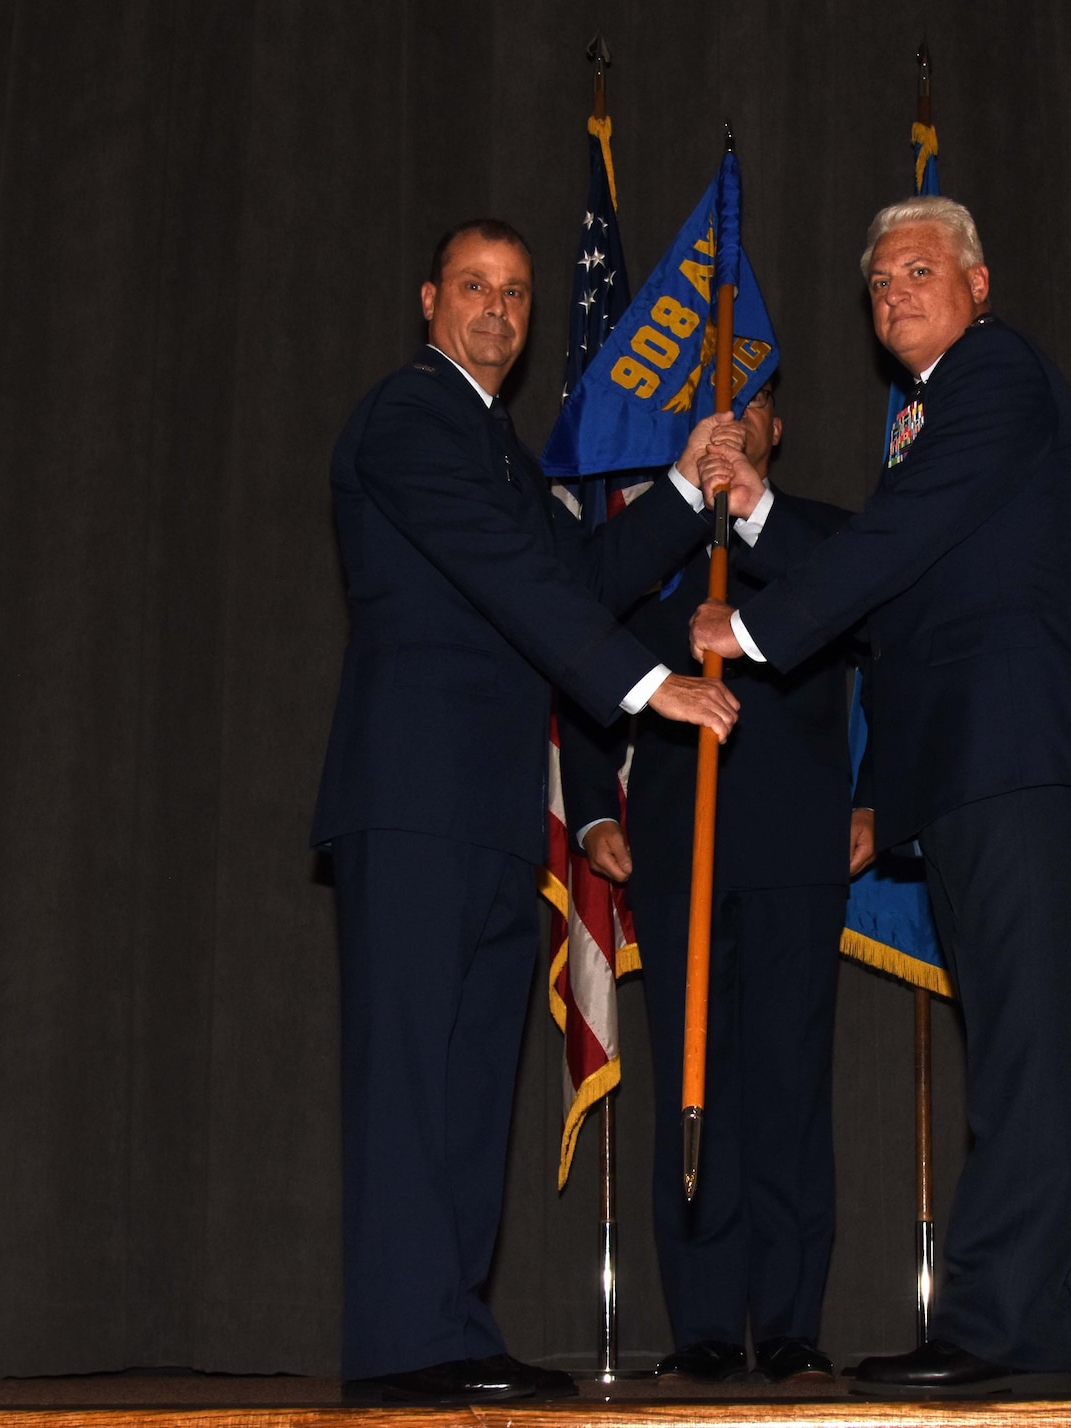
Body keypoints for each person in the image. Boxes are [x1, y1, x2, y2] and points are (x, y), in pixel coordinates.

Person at [689, 196, 1071, 1399]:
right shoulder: (933, 418)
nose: (893, 292)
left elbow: (894, 542)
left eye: (917, 269)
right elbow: (897, 568)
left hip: (1011, 756)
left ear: (978, 282)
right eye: (878, 282)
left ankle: (996, 1325)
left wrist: (748, 624)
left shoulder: (991, 376)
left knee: (1020, 1051)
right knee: (1054, 1050)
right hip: (977, 766)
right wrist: (751, 511)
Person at [311, 218, 764, 1406]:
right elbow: (509, 582)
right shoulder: (410, 416)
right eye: (475, 287)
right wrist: (643, 683)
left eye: (516, 292)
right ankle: (401, 1344)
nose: (499, 310)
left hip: (486, 807)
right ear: (428, 301)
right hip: (408, 798)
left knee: (467, 1083)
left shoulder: (500, 451)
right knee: (412, 1076)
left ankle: (446, 1328)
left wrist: (678, 485)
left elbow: (569, 581)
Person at [557, 374, 865, 1386]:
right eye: (718, 407)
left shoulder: (822, 535)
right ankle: (696, 1327)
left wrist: (879, 799)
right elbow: (586, 651)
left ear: (779, 425)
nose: (738, 423)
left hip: (795, 845)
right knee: (694, 1080)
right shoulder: (656, 543)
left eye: (756, 404)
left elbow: (879, 634)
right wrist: (596, 802)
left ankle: (784, 1324)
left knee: (786, 1083)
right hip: (677, 843)